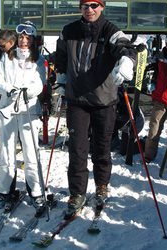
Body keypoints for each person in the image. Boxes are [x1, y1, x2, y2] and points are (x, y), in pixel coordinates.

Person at [55, 0, 137, 216]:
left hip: (103, 100)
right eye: (85, 5)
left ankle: (101, 186)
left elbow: (125, 46)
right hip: (76, 100)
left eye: (94, 5)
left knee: (101, 148)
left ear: (101, 7)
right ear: (80, 7)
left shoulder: (109, 30)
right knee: (77, 150)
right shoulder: (69, 30)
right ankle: (77, 192)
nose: (89, 9)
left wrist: (127, 61)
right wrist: (61, 78)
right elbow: (61, 55)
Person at [0, 23, 46, 216]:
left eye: (28, 38)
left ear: (33, 40)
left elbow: (40, 83)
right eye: (21, 38)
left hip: (28, 111)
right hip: (8, 109)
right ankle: (4, 191)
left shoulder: (38, 60)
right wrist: (8, 89)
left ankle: (36, 192)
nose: (24, 41)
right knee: (6, 153)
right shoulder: (7, 57)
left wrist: (27, 92)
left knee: (31, 154)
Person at [144, 31, 167, 165]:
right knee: (153, 129)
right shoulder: (161, 57)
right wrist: (151, 82)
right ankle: (149, 155)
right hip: (160, 99)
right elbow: (153, 72)